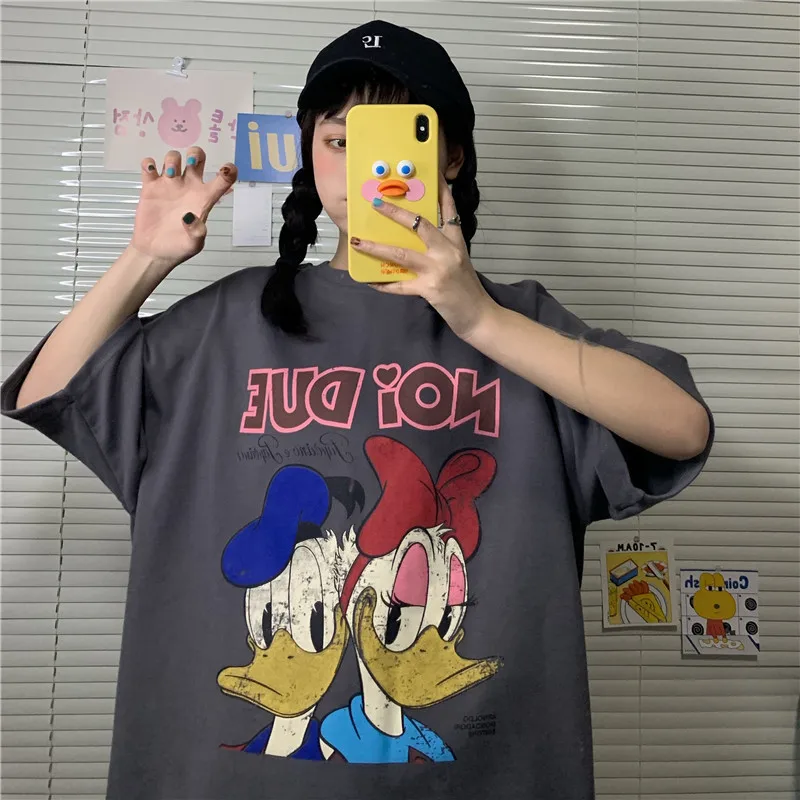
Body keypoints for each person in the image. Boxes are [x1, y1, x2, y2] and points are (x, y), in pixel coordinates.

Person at [1, 19, 713, 800]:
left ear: (451, 156)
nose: (363, 165)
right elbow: (48, 391)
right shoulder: (230, 322)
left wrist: (479, 320)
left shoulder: (521, 326)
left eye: (394, 138)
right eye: (339, 140)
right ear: (309, 155)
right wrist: (145, 257)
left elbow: (681, 428)